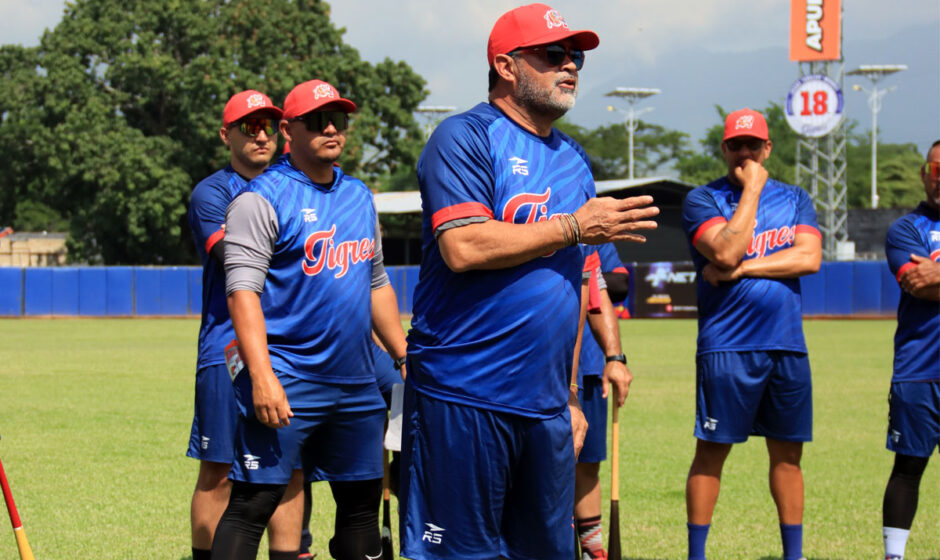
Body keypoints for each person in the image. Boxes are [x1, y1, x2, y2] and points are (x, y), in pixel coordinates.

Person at [398, 4, 659, 559]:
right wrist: (572, 226)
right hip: (463, 394)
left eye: (577, 57)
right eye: (554, 54)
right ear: (506, 66)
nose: (570, 67)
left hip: (545, 407)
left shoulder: (574, 160)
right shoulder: (464, 136)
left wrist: (570, 396)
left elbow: (575, 287)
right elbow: (464, 246)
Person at [210, 78, 408, 560]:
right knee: (254, 503)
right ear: (287, 130)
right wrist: (262, 377)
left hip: (356, 382)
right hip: (289, 377)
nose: (331, 128)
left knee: (361, 509)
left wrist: (405, 356)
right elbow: (242, 294)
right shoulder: (260, 198)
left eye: (338, 119)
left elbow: (376, 283)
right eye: (317, 120)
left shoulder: (358, 196)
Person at [680, 108, 822, 560]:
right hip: (728, 347)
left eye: (753, 145)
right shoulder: (702, 199)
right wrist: (753, 191)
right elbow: (725, 249)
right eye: (736, 145)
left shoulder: (796, 198)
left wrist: (743, 270)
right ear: (724, 149)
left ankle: (793, 555)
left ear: (768, 148)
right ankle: (697, 555)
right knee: (711, 451)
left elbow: (808, 258)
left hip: (786, 344)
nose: (745, 153)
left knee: (789, 456)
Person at [186, 89, 291, 560]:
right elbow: (238, 260)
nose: (261, 136)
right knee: (219, 470)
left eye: (268, 126)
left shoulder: (294, 184)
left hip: (290, 344)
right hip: (226, 346)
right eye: (249, 127)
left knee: (289, 468)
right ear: (226, 135)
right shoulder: (212, 192)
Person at [880, 140, 940, 560]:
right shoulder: (906, 229)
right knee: (908, 468)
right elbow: (916, 283)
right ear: (924, 174)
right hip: (919, 369)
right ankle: (894, 556)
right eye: (936, 170)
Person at [575, 243, 631, 560]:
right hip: (543, 366)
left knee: (588, 461)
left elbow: (620, 283)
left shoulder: (593, 234)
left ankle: (592, 548)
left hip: (590, 364)